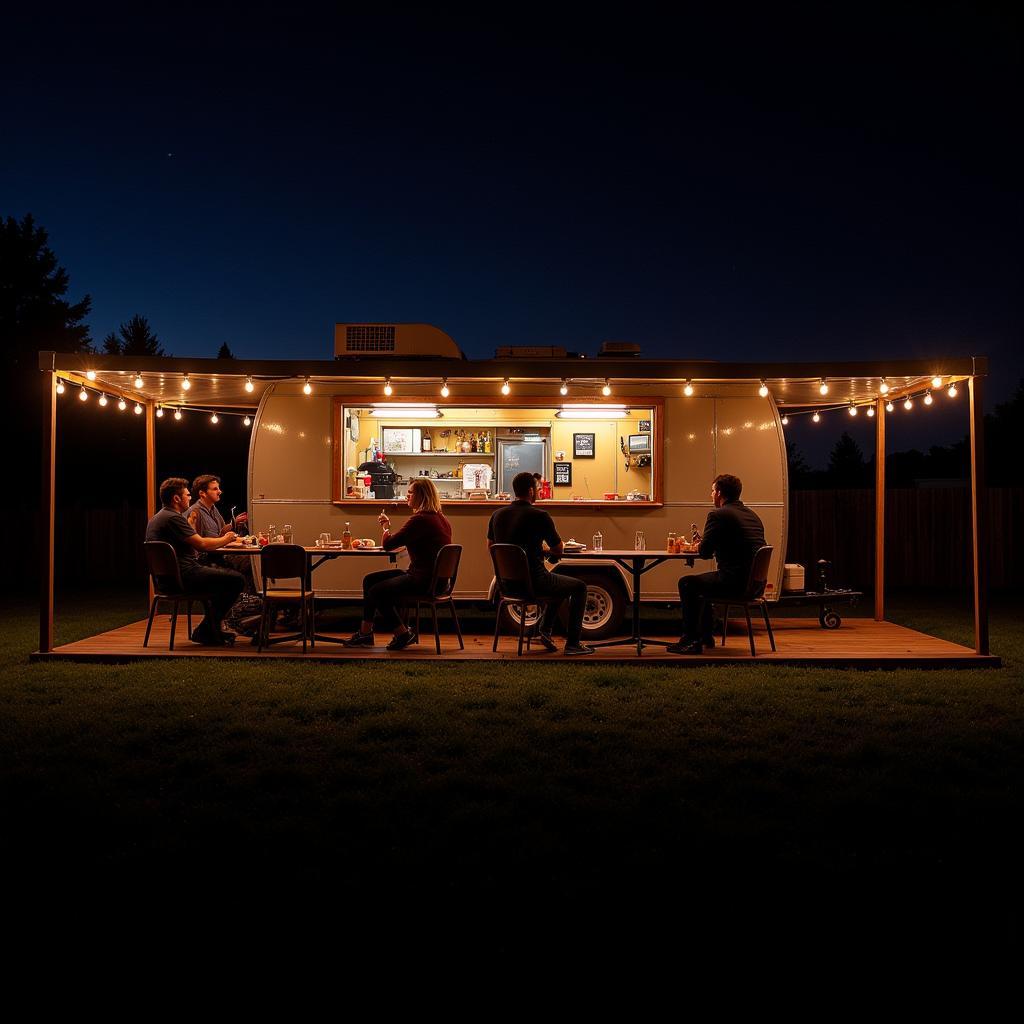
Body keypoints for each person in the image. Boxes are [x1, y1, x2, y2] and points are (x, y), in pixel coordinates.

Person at [487, 470, 594, 655]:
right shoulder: (540, 515)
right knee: (579, 587)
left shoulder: (497, 515)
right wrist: (544, 550)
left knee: (559, 585)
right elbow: (558, 549)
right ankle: (573, 644)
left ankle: (543, 631)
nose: (538, 492)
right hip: (535, 582)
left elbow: (491, 546)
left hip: (506, 586)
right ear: (530, 491)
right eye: (537, 488)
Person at [343, 478, 452, 651]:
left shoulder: (420, 520)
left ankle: (402, 633)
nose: (407, 496)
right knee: (369, 580)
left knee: (377, 591)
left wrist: (385, 526)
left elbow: (388, 544)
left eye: (410, 493)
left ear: (421, 496)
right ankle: (365, 633)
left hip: (424, 581)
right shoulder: (441, 518)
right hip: (438, 580)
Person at [668, 473, 766, 655]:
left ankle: (691, 641)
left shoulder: (718, 515)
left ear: (719, 493)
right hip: (755, 585)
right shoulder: (752, 516)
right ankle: (705, 637)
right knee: (702, 585)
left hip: (735, 583)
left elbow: (705, 552)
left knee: (687, 583)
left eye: (712, 491)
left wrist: (698, 545)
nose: (711, 494)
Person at [145, 477, 245, 646]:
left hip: (166, 580)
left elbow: (191, 543)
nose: (190, 498)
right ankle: (206, 631)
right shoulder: (173, 518)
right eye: (187, 495)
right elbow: (202, 544)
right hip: (184, 576)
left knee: (223, 579)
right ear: (176, 498)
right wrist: (227, 539)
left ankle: (212, 631)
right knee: (237, 580)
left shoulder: (159, 517)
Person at [187, 474, 254, 590]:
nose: (220, 491)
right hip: (210, 559)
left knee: (254, 560)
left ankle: (249, 598)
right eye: (215, 489)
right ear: (202, 493)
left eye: (218, 488)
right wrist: (228, 538)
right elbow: (196, 544)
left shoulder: (213, 508)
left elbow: (221, 533)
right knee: (251, 562)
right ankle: (244, 600)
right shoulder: (195, 512)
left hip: (219, 554)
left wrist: (234, 524)